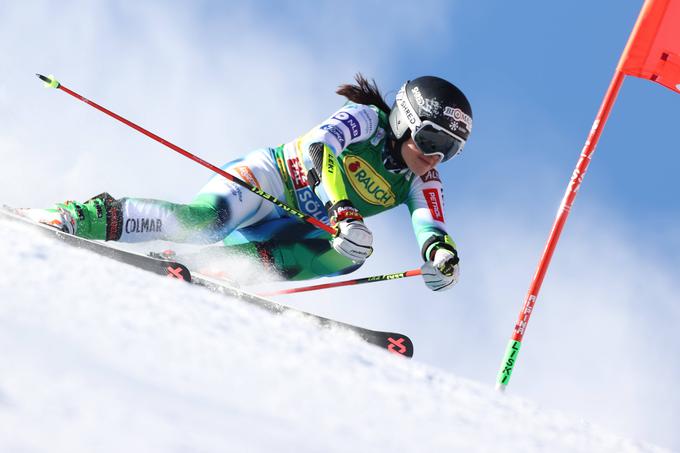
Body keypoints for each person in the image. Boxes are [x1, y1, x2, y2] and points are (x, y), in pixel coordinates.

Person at [22, 74, 473, 291]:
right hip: (267, 184)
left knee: (350, 253)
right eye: (432, 137)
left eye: (449, 150)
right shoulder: (366, 121)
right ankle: (73, 217)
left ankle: (213, 266)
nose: (435, 155)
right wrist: (344, 208)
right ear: (404, 119)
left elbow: (430, 225)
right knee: (204, 219)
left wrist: (442, 257)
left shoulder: (422, 178)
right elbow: (321, 149)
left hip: (295, 228)